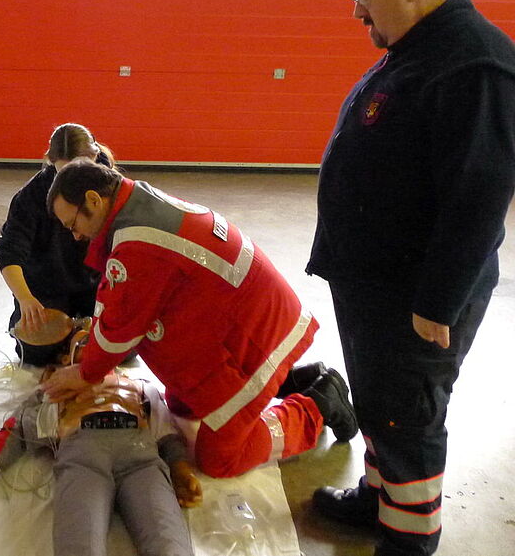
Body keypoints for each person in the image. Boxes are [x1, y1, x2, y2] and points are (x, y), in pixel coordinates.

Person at [305, 0, 515, 556]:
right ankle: (378, 500)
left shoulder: (473, 65)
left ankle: (408, 540)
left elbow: (477, 201)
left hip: (414, 296)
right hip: (379, 284)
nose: (356, 9)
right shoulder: (422, 47)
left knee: (408, 418)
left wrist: (436, 304)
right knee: (381, 404)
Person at [40, 159, 357, 478]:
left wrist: (85, 373)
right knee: (181, 405)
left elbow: (118, 327)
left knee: (220, 458)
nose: (76, 236)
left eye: (73, 224)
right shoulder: (138, 205)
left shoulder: (138, 244)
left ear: (94, 199)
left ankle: (317, 405)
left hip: (253, 333)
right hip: (251, 316)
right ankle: (289, 380)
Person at [0, 329, 202, 556]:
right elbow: (16, 428)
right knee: (79, 548)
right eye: (86, 341)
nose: (96, 344)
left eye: (101, 339)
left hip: (141, 458)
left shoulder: (139, 385)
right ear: (65, 358)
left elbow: (166, 431)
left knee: (171, 547)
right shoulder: (53, 388)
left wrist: (180, 467)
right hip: (83, 458)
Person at [0, 123, 115, 365]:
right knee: (33, 351)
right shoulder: (30, 197)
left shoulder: (110, 185)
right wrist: (26, 299)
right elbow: (9, 252)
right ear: (50, 162)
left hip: (94, 285)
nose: (72, 182)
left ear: (95, 156)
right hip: (46, 289)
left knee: (126, 343)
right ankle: (76, 343)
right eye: (64, 172)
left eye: (81, 170)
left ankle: (75, 341)